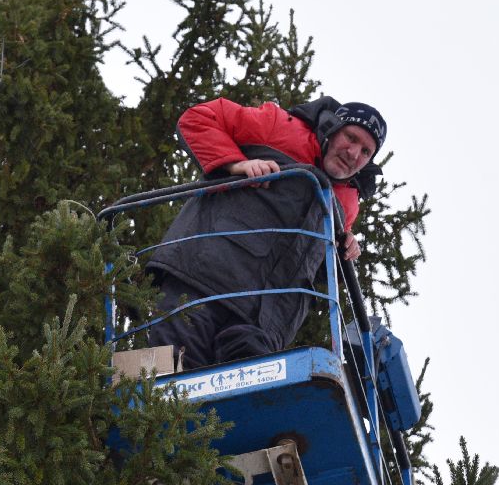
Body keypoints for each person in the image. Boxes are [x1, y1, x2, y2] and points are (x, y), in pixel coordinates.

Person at [145, 95, 387, 370]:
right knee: (166, 374)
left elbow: (312, 262)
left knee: (246, 400)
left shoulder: (347, 202)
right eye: (351, 138)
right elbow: (199, 118)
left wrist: (344, 248)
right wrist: (236, 164)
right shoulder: (278, 126)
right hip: (204, 280)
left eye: (366, 151)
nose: (354, 154)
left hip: (266, 322)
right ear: (332, 128)